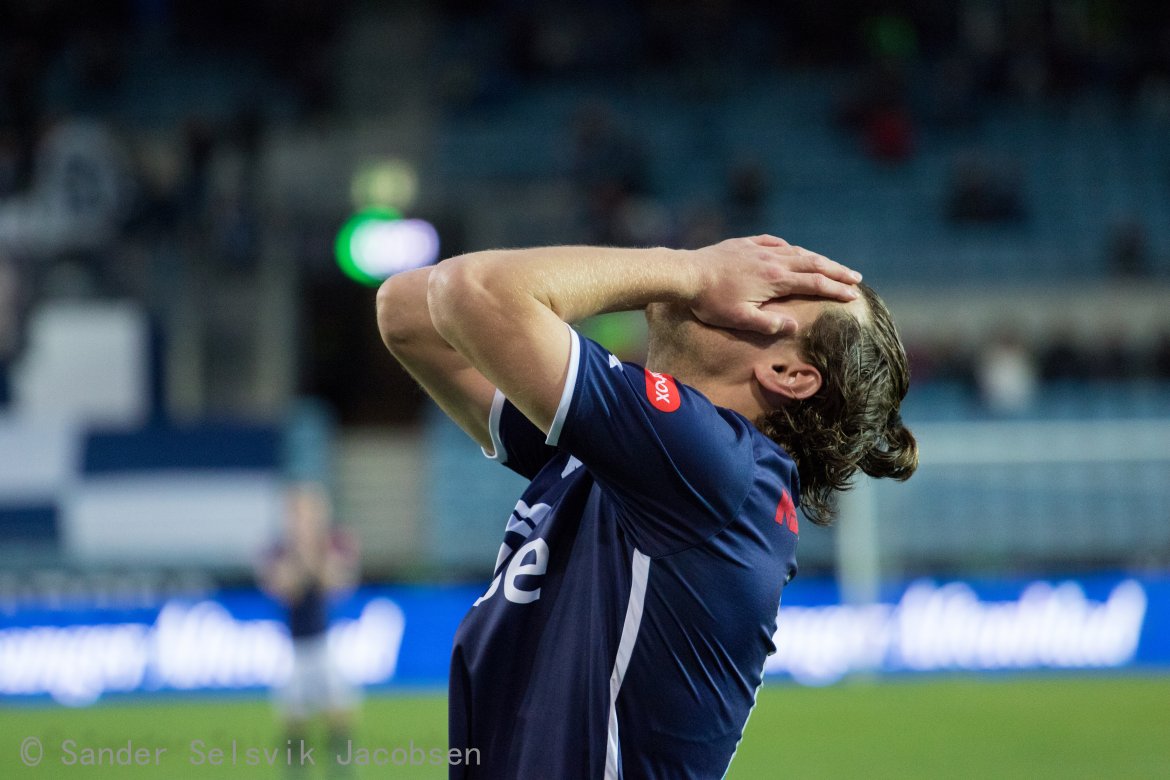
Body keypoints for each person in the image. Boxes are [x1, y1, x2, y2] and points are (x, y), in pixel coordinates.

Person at [376, 236, 918, 778]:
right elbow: (407, 313)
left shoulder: (721, 467)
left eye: (779, 291)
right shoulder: (647, 461)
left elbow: (470, 292)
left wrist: (690, 272)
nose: (746, 275)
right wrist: (682, 276)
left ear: (789, 375)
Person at [260, 482, 360, 776]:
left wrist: (310, 554)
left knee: (340, 712)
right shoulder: (279, 548)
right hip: (293, 646)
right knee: (294, 717)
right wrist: (302, 554)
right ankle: (296, 771)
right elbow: (283, 587)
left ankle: (339, 770)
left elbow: (337, 585)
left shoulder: (329, 544)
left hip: (323, 642)